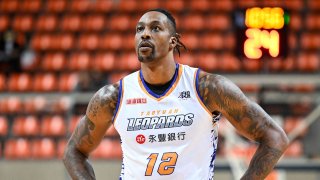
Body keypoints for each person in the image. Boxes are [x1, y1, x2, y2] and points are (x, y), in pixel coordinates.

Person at [63, 8, 289, 180]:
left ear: (173, 41)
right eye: (139, 29)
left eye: (155, 28)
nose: (144, 34)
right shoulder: (112, 96)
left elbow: (275, 138)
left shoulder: (208, 88)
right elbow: (73, 151)